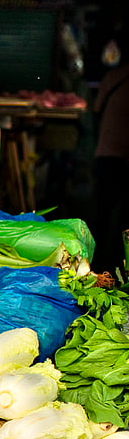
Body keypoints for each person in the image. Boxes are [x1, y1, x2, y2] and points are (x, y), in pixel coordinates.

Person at [94, 34, 129, 275]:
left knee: (103, 211)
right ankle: (118, 264)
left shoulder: (111, 77)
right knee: (123, 215)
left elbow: (96, 108)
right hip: (122, 156)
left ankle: (99, 262)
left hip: (106, 152)